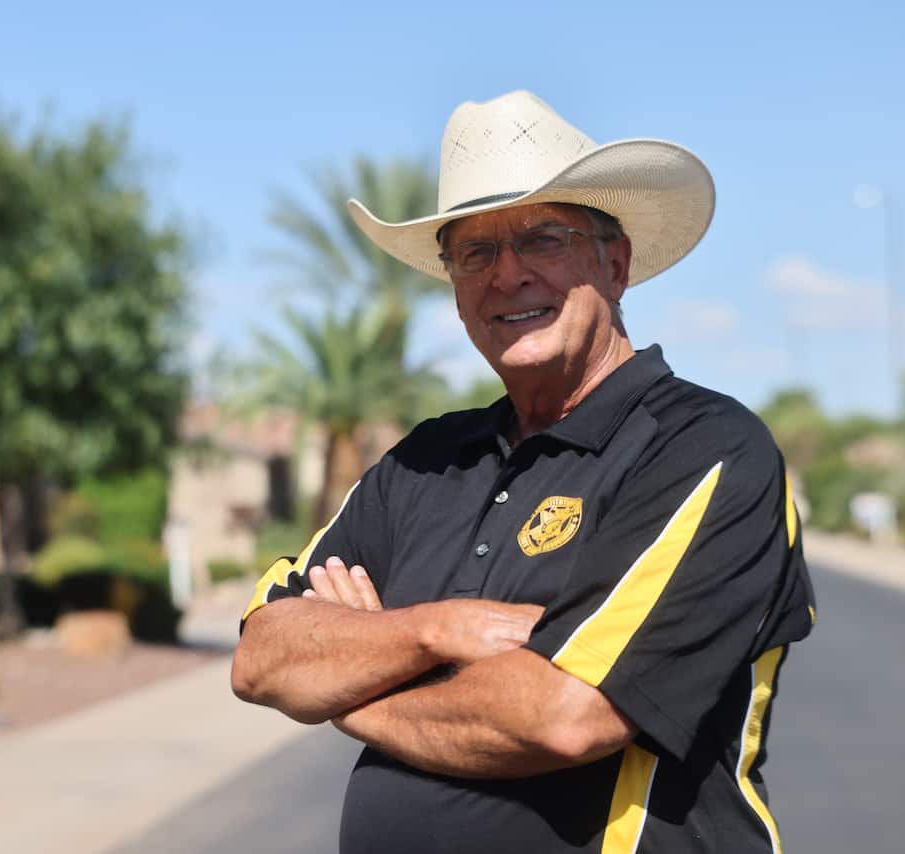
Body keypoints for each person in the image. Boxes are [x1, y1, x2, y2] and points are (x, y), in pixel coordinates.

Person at [231, 90, 815, 854]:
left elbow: (564, 715)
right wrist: (445, 628)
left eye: (543, 238)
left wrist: (350, 693)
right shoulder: (426, 460)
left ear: (616, 262)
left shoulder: (703, 448)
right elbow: (262, 655)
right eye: (475, 252)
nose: (507, 276)